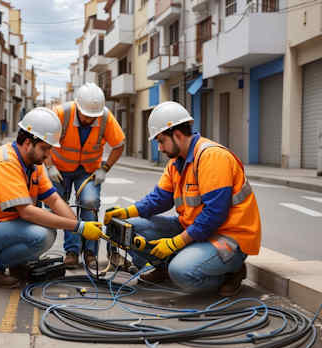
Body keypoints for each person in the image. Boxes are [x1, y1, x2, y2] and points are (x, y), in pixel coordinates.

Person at [104, 101, 261, 296]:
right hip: (195, 230)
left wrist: (175, 243)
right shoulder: (175, 163)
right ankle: (164, 267)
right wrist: (126, 212)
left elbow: (214, 215)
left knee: (182, 272)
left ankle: (231, 273)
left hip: (228, 238)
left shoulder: (211, 157)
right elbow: (159, 199)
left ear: (177, 135)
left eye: (161, 141)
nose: (159, 148)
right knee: (127, 228)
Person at [0, 107, 106, 288]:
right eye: (44, 148)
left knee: (47, 228)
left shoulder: (33, 163)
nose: (48, 155)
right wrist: (78, 226)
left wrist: (79, 228)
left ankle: (14, 263)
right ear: (27, 142)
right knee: (43, 236)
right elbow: (27, 213)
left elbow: (53, 199)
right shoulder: (5, 163)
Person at [46, 82, 125, 270]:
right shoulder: (60, 114)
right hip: (59, 169)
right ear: (77, 107)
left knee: (89, 203)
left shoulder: (105, 117)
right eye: (86, 116)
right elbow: (44, 139)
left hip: (88, 170)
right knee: (61, 206)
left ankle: (90, 253)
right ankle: (72, 252)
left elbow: (119, 144)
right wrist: (49, 166)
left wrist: (105, 168)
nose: (90, 120)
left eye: (93, 117)